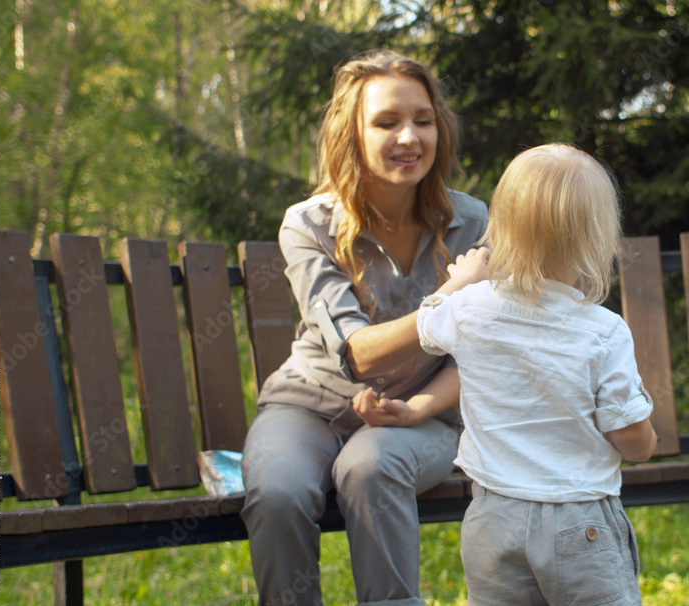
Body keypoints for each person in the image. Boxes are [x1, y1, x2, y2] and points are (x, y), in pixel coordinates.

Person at [239, 49, 488, 606]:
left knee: (370, 467)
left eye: (422, 120)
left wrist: (420, 407)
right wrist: (449, 292)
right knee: (277, 493)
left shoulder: (475, 223)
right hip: (310, 405)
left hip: (421, 415)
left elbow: (485, 353)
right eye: (386, 122)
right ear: (351, 133)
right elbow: (358, 355)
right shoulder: (309, 225)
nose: (409, 137)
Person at [417, 143, 658, 605]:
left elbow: (426, 322)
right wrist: (647, 443)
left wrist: (461, 280)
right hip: (578, 517)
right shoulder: (602, 330)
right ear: (597, 239)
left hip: (491, 516)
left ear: (501, 229)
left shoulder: (470, 309)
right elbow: (627, 433)